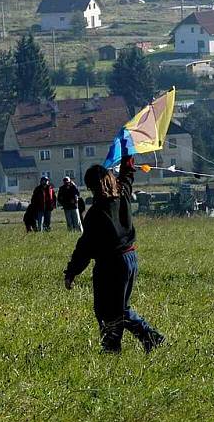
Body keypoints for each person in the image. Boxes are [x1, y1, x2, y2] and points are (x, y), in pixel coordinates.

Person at [63, 147, 165, 354]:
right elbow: (127, 176)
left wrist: (72, 272)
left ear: (91, 186)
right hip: (130, 258)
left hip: (111, 264)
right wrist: (128, 154)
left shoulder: (96, 213)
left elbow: (85, 247)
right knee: (118, 308)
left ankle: (125, 343)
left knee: (108, 310)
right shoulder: (124, 196)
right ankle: (135, 341)